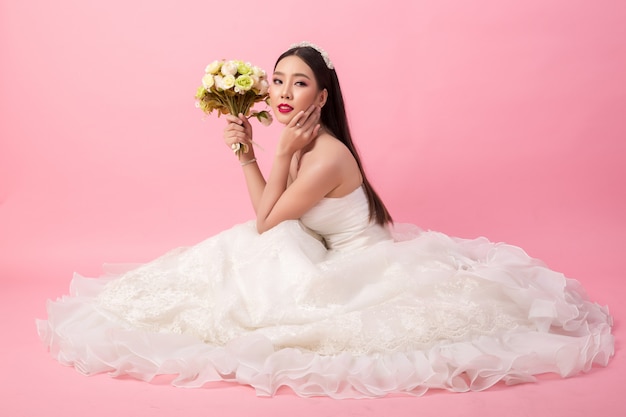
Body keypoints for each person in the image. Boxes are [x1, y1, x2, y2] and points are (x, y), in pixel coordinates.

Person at [37, 42, 614, 399]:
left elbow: (266, 221)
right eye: (279, 80)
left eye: (300, 83)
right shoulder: (303, 141)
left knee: (255, 245)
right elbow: (272, 215)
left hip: (360, 265)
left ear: (323, 93)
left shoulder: (325, 152)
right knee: (257, 246)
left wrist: (276, 155)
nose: (284, 93)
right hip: (323, 247)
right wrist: (248, 155)